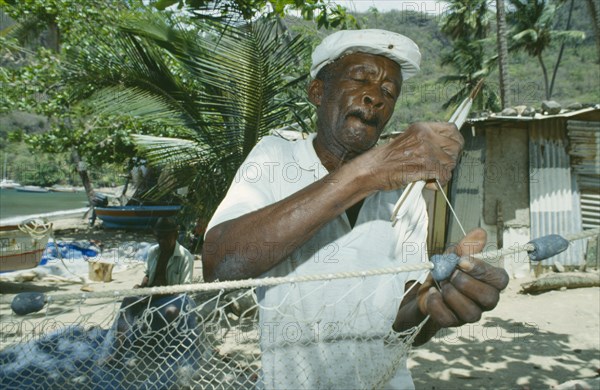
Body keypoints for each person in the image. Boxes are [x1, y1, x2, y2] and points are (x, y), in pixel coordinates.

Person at [202, 29, 509, 389]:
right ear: (318, 92)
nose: (375, 97)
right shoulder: (277, 155)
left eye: (389, 92)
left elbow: (398, 324)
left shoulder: (404, 194)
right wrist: (367, 174)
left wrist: (434, 305)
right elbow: (220, 264)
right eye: (360, 78)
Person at [107, 217, 195, 362]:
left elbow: (185, 289)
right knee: (128, 301)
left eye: (165, 238)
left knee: (171, 311)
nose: (161, 241)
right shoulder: (154, 251)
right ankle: (118, 350)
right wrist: (141, 287)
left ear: (175, 235)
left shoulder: (185, 257)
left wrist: (163, 292)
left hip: (174, 297)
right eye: (158, 237)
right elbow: (148, 275)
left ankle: (165, 352)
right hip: (151, 292)